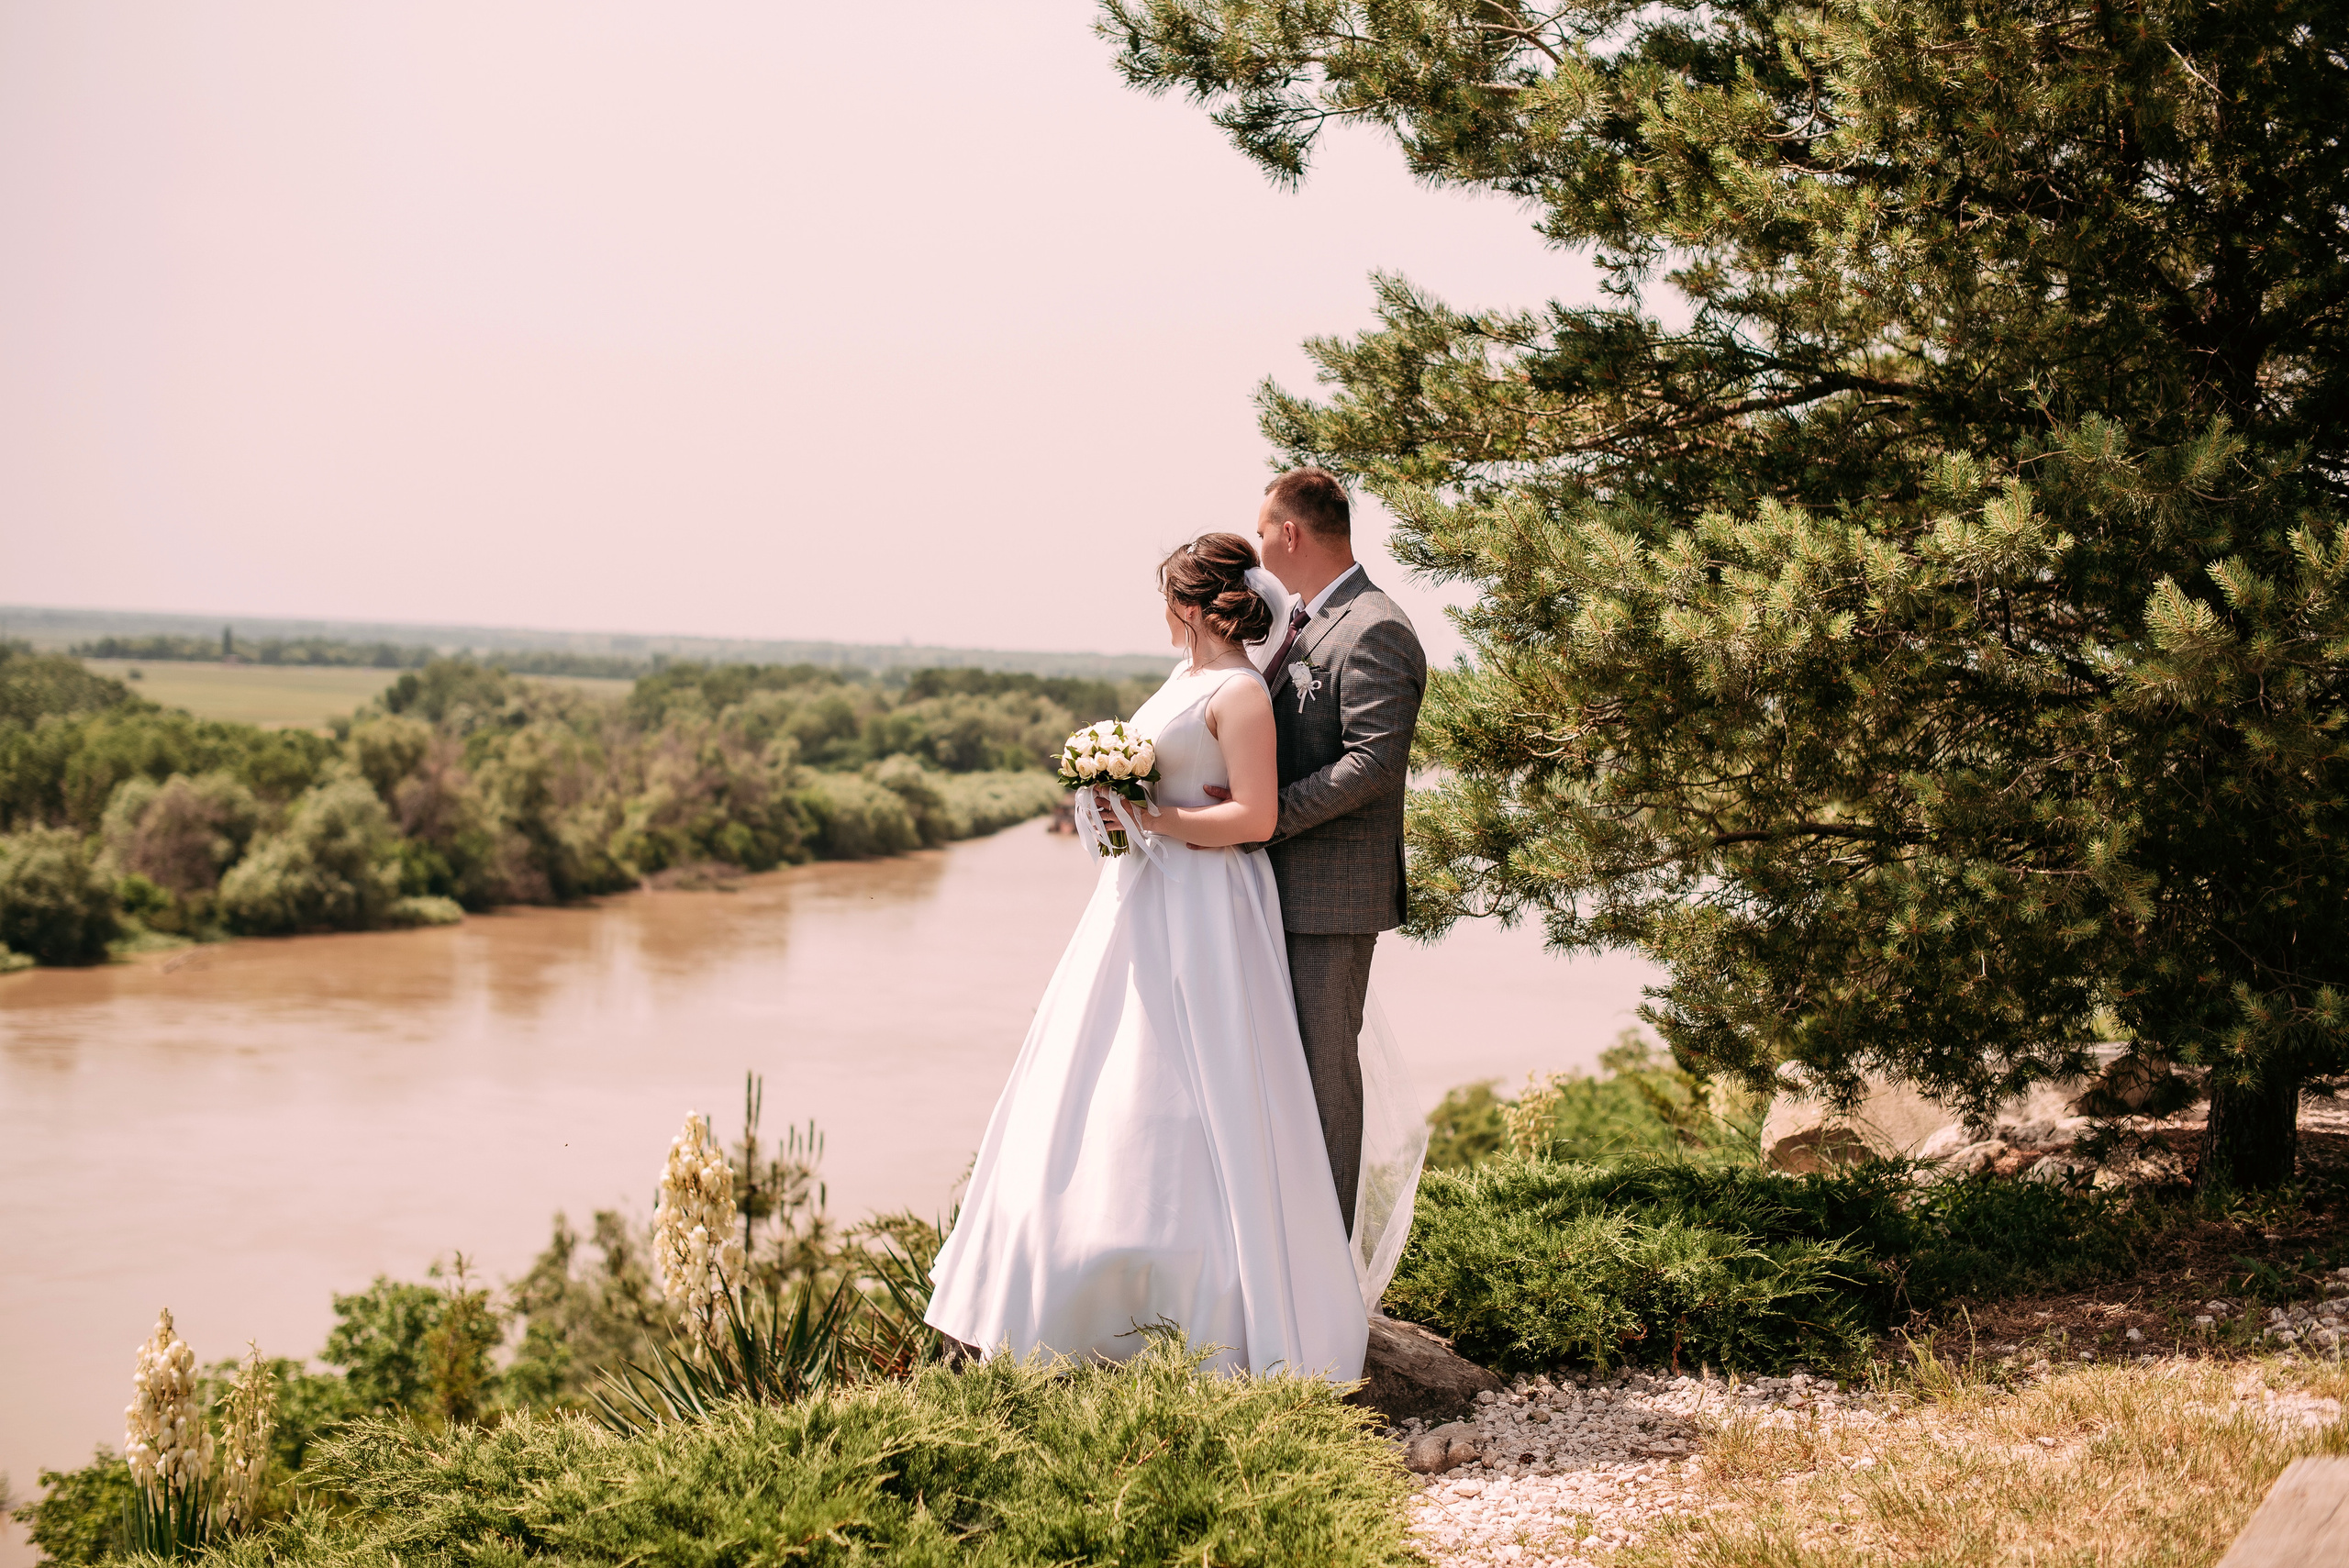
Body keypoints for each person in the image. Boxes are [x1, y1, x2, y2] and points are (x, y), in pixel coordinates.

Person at [924, 531, 1370, 1378]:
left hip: (1206, 905)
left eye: (1167, 596)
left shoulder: (1240, 692)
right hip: (1143, 895)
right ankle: (1068, 1277)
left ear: (1194, 605)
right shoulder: (1185, 678)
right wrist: (1110, 798)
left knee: (1202, 1081)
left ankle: (1203, 1302)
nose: (1161, 610)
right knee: (1103, 1067)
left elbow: (1256, 816)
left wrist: (1157, 818)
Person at [1219, 468, 1428, 1234]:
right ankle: (1281, 1246)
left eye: (1262, 530)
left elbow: (1373, 764)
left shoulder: (1376, 626)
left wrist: (1266, 818)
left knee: (1324, 1079)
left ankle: (1327, 1261)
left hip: (1331, 899)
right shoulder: (1298, 623)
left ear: (1291, 532)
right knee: (1277, 1076)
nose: (1258, 546)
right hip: (1273, 889)